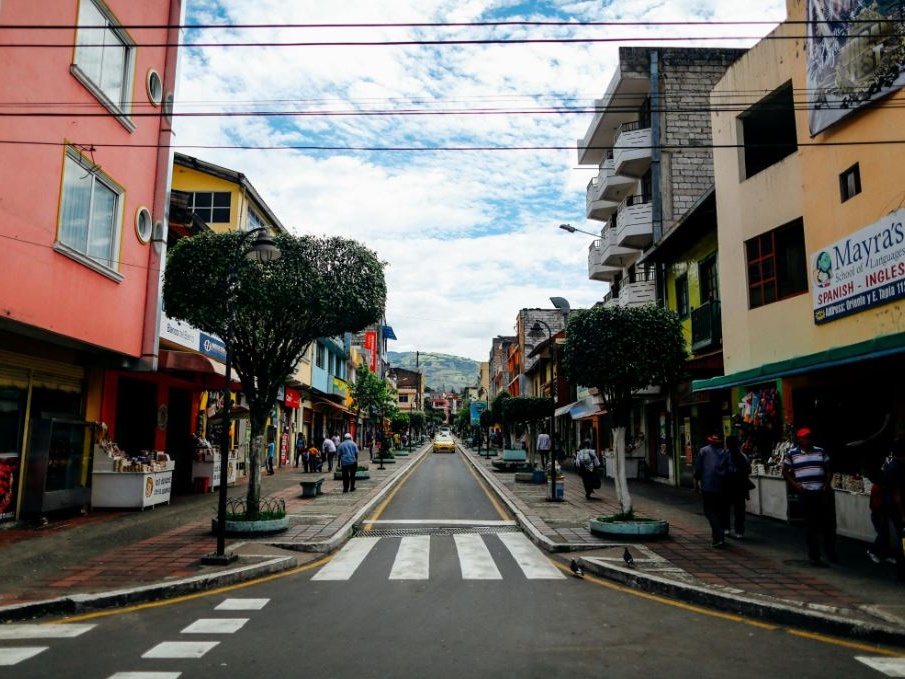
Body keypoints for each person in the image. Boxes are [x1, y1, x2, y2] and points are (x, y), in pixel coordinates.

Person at [782, 427, 837, 566]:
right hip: (805, 492)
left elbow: (829, 469)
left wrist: (826, 484)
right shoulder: (792, 454)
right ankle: (814, 554)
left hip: (820, 491)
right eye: (803, 438)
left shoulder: (820, 451)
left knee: (826, 523)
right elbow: (785, 471)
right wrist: (795, 484)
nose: (806, 440)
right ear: (799, 440)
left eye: (808, 437)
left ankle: (830, 552)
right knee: (810, 524)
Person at [694, 432, 730, 547]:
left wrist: (696, 483)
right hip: (722, 486)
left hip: (708, 485)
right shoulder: (726, 453)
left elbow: (698, 469)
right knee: (719, 511)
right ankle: (719, 535)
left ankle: (718, 536)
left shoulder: (703, 451)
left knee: (710, 511)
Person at [883, 439, 905, 582]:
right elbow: (897, 494)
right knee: (902, 541)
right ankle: (901, 571)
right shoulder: (897, 468)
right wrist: (903, 514)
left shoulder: (890, 466)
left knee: (901, 539)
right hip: (898, 510)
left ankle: (901, 571)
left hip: (893, 509)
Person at [723, 435, 752, 539]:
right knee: (739, 510)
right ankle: (739, 531)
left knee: (725, 508)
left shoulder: (724, 455)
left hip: (727, 486)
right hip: (740, 487)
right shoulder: (743, 456)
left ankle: (726, 529)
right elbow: (749, 470)